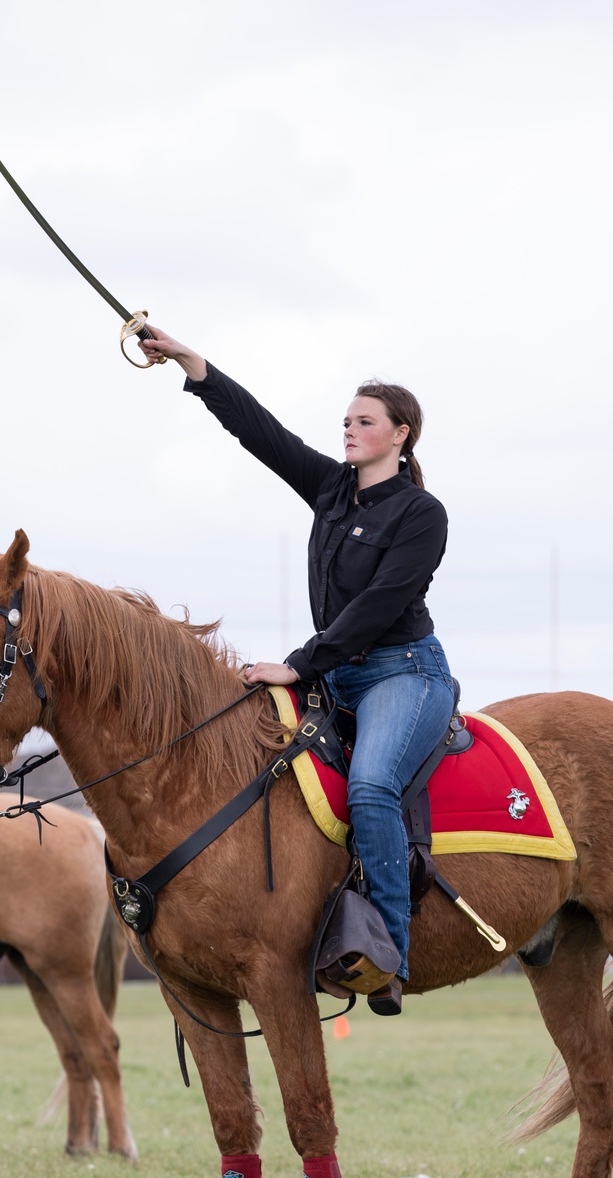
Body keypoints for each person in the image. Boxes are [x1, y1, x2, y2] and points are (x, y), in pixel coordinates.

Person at [140, 328, 453, 1015]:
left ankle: (385, 954)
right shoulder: (333, 490)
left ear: (401, 435)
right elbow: (261, 433)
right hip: (333, 674)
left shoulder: (423, 514)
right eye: (345, 421)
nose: (349, 430)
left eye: (364, 422)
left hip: (402, 673)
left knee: (371, 787)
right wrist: (193, 364)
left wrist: (297, 665)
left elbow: (378, 606)